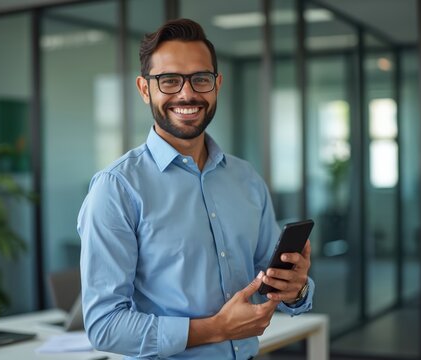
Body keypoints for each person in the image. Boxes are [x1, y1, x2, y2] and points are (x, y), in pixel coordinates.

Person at [77, 18, 314, 360]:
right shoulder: (116, 189)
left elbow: (270, 281)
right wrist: (217, 329)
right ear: (145, 89)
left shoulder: (247, 179)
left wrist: (295, 290)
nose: (187, 94)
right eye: (169, 80)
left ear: (216, 84)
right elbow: (104, 326)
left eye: (200, 79)